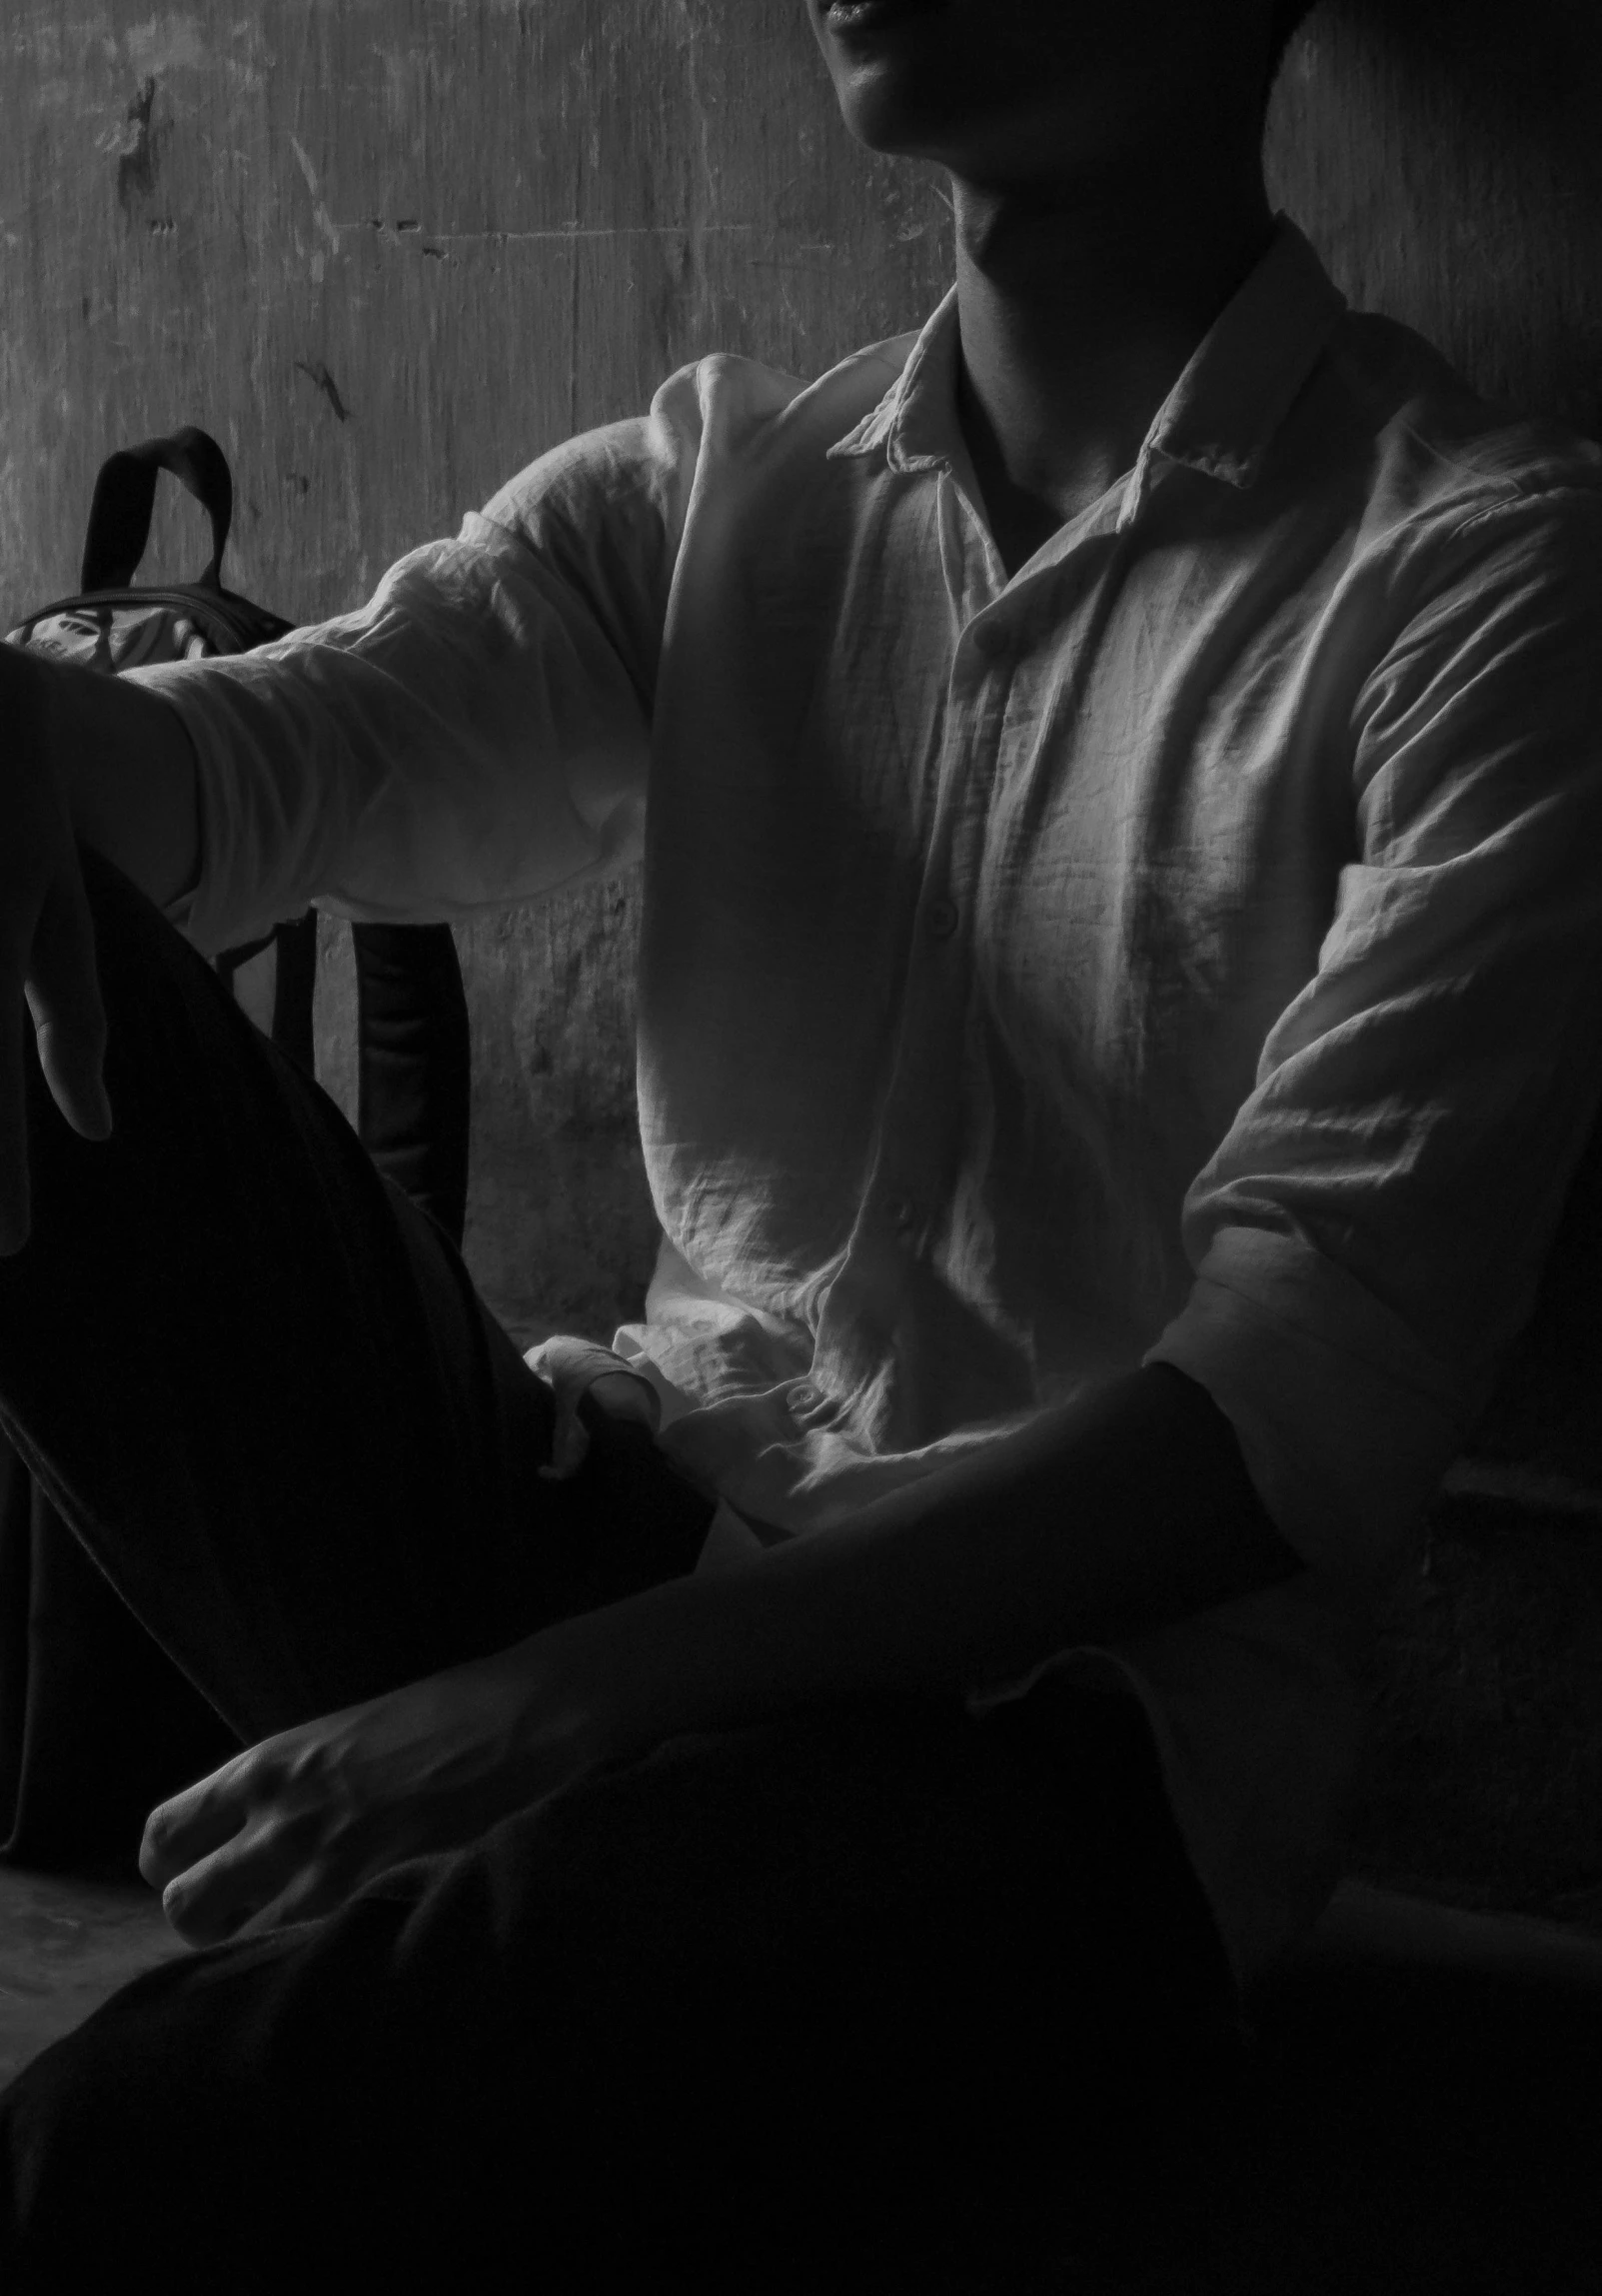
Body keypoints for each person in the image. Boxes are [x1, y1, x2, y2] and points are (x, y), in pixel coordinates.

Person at [3, 0, 1601, 2283]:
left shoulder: (1477, 576)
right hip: (618, 1537)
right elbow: (280, 761)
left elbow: (1295, 1407)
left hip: (1044, 1754)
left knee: (130, 2144)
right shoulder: (725, 476)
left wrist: (540, 1711)